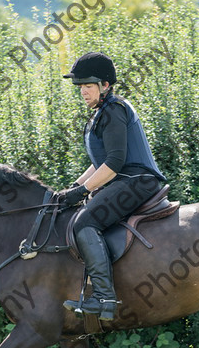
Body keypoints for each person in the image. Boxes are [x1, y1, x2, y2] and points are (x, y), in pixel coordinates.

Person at [55, 52, 167, 320]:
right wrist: (73, 187)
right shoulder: (101, 112)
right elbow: (100, 162)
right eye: (80, 87)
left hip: (137, 181)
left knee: (84, 223)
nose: (83, 92)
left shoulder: (114, 110)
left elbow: (115, 164)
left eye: (88, 86)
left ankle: (104, 297)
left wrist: (82, 192)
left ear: (105, 85)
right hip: (125, 180)